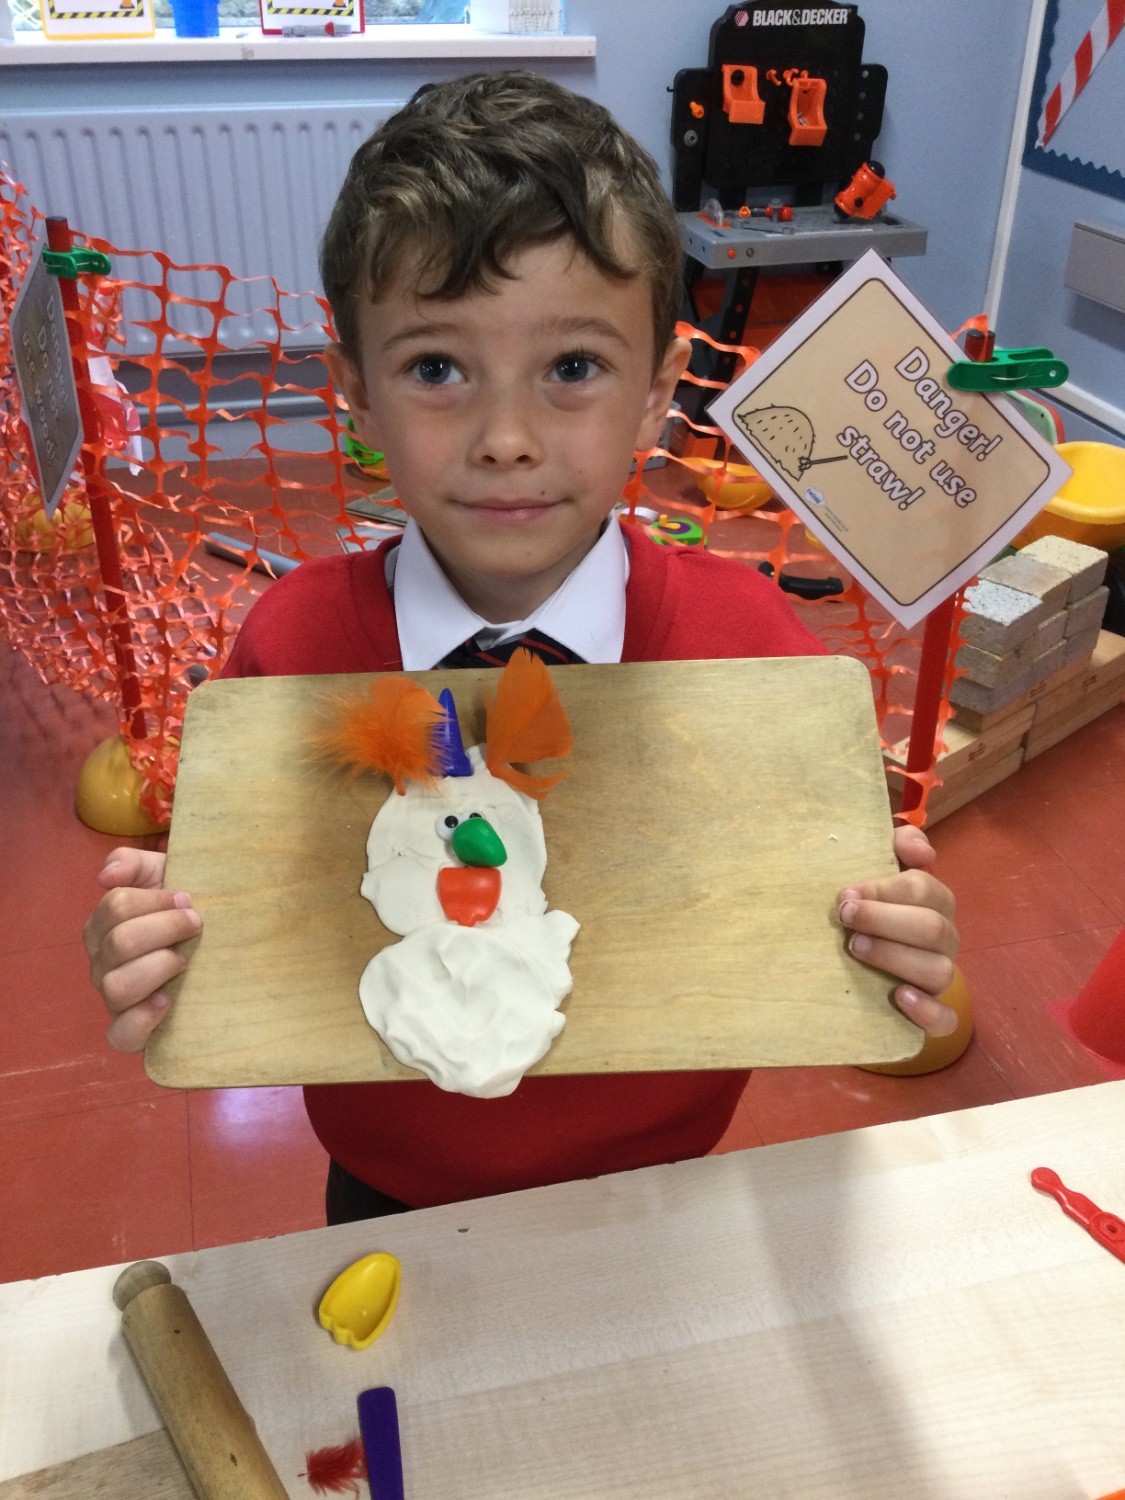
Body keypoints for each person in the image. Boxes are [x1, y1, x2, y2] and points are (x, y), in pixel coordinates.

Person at [84, 71, 959, 1224]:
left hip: (667, 1192)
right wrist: (161, 946)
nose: (506, 438)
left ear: (657, 393)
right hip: (391, 1188)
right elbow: (254, 911)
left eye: (572, 369)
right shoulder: (292, 649)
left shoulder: (755, 654)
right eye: (436, 369)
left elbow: (839, 933)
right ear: (356, 393)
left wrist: (896, 941)